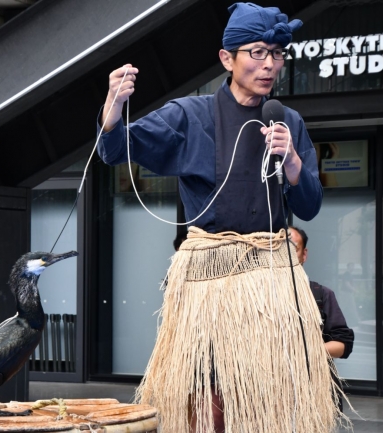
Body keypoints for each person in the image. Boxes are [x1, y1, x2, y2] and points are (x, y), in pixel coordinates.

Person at [97, 3, 335, 432]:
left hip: (271, 279)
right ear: (228, 58)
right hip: (208, 280)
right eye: (258, 52)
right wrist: (113, 107)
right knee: (208, 396)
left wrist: (294, 163)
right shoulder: (191, 115)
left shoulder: (289, 121)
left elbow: (310, 206)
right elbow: (114, 149)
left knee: (274, 397)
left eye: (277, 55)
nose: (269, 65)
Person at [289, 227, 354, 359]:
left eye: (293, 250)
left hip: (309, 377)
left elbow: (343, 344)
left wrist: (304, 353)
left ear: (304, 254)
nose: (285, 257)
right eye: (278, 251)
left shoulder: (322, 294)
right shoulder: (257, 296)